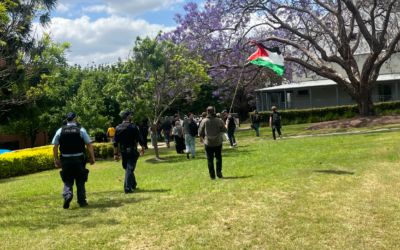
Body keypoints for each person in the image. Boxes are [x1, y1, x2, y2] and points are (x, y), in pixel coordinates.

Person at [52, 112, 95, 209]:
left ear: (66, 120)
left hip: (66, 160)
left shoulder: (60, 130)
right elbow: (89, 145)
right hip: (79, 159)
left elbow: (55, 146)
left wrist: (56, 159)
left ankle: (68, 195)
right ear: (76, 119)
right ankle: (82, 201)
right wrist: (92, 157)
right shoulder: (81, 130)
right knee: (80, 180)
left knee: (67, 179)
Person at [113, 111, 145, 194]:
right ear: (128, 117)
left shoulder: (117, 127)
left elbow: (115, 142)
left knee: (127, 168)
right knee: (130, 168)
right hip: (131, 150)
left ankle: (133, 184)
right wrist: (143, 147)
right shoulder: (133, 126)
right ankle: (127, 188)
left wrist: (115, 154)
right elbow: (140, 137)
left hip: (123, 150)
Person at [199, 106, 227, 180]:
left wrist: (201, 136)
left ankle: (212, 175)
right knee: (218, 157)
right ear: (214, 112)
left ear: (207, 112)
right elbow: (224, 130)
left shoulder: (204, 121)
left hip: (208, 142)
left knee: (210, 159)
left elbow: (200, 132)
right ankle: (219, 173)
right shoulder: (219, 120)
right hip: (218, 142)